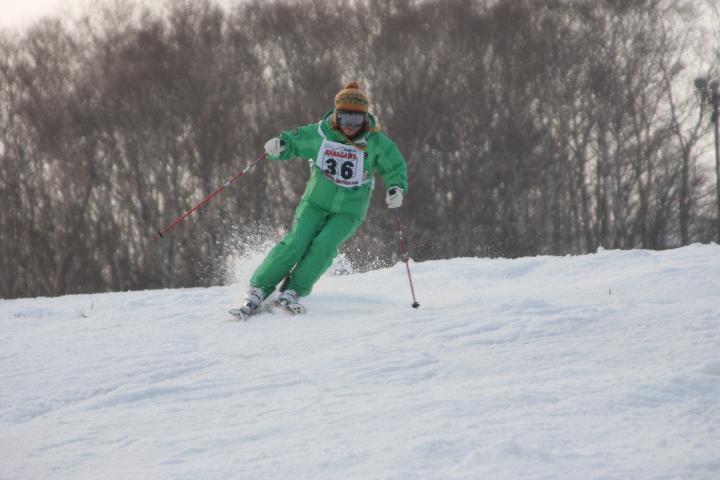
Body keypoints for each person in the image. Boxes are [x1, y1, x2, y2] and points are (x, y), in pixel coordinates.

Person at [230, 81, 408, 319]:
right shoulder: (321, 134)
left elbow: (395, 166)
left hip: (349, 211)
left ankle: (294, 290)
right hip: (315, 202)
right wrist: (280, 145)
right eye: (345, 119)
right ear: (336, 116)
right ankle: (259, 287)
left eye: (356, 120)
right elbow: (294, 142)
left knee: (324, 245)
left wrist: (396, 188)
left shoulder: (375, 142)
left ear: (365, 119)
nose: (350, 126)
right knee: (298, 241)